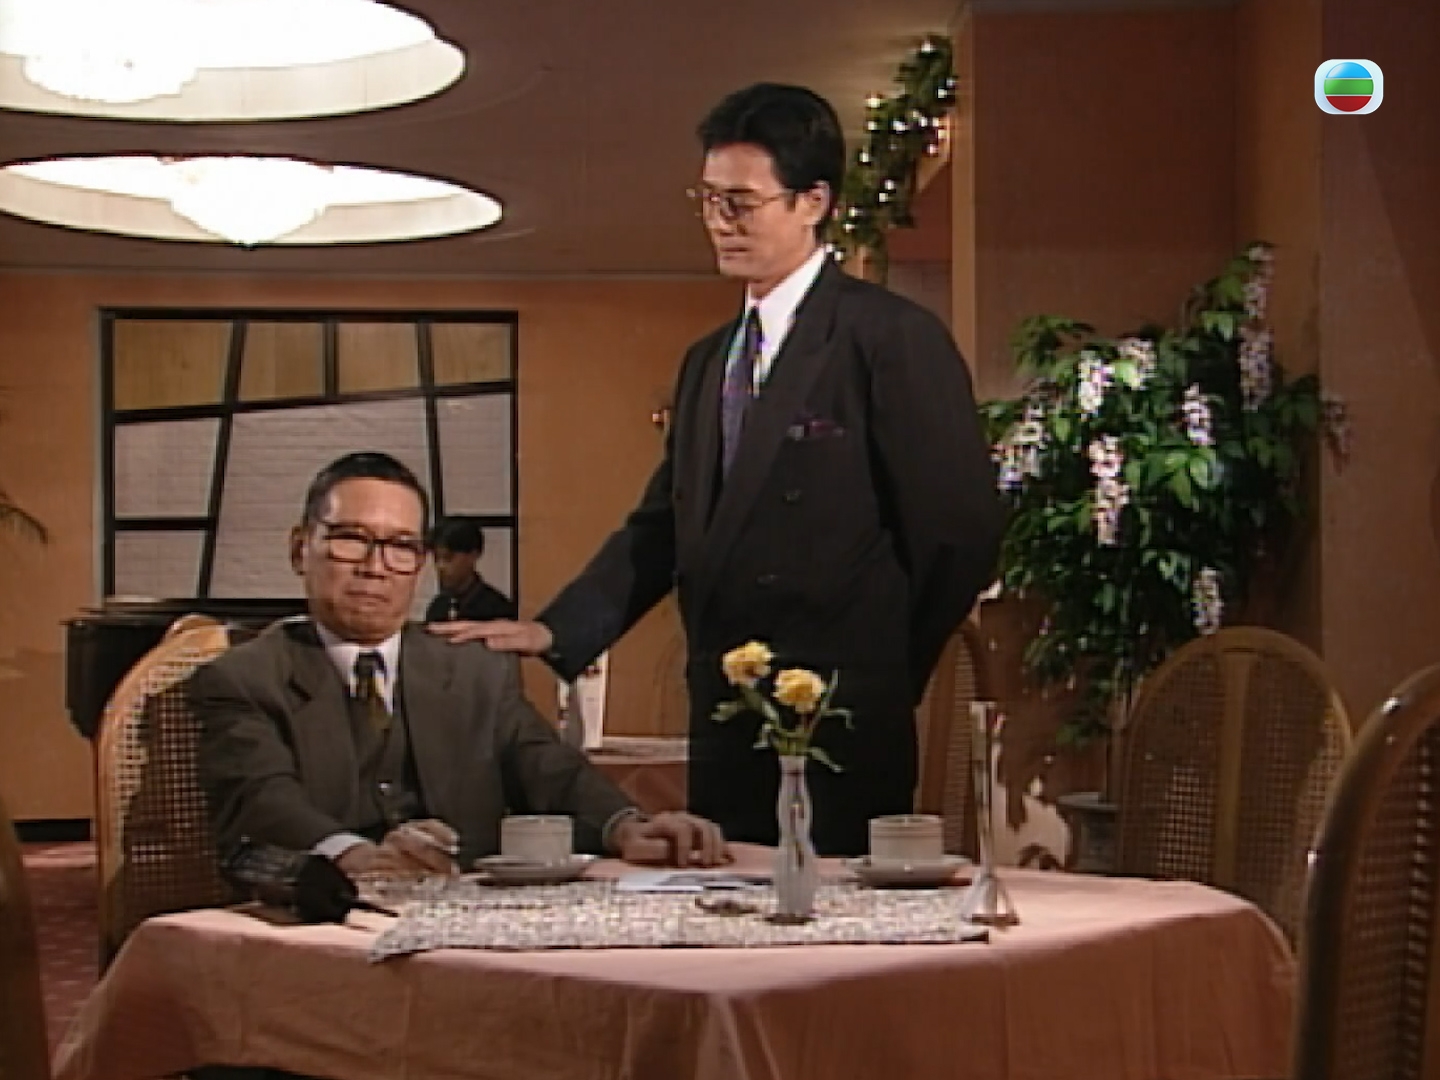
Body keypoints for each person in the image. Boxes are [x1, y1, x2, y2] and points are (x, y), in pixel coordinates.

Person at [433, 83, 1004, 855]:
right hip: (724, 712)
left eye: (741, 202)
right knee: (723, 898)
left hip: (839, 720)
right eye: (707, 200)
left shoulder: (888, 337)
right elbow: (663, 526)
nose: (718, 222)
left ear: (812, 202)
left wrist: (881, 669)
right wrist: (556, 628)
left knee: (833, 917)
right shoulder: (709, 361)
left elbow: (960, 534)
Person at [190, 451, 727, 878]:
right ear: (299, 549)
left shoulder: (474, 670)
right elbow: (261, 798)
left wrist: (626, 826)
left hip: (469, 920)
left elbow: (547, 766)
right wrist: (355, 856)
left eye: (401, 546)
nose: (376, 567)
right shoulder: (244, 678)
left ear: (420, 564)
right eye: (351, 539)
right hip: (323, 923)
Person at [425, 516, 517, 624]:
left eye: (448, 558)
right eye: (436, 558)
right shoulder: (438, 607)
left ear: (473, 555)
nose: (440, 566)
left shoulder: (498, 610)